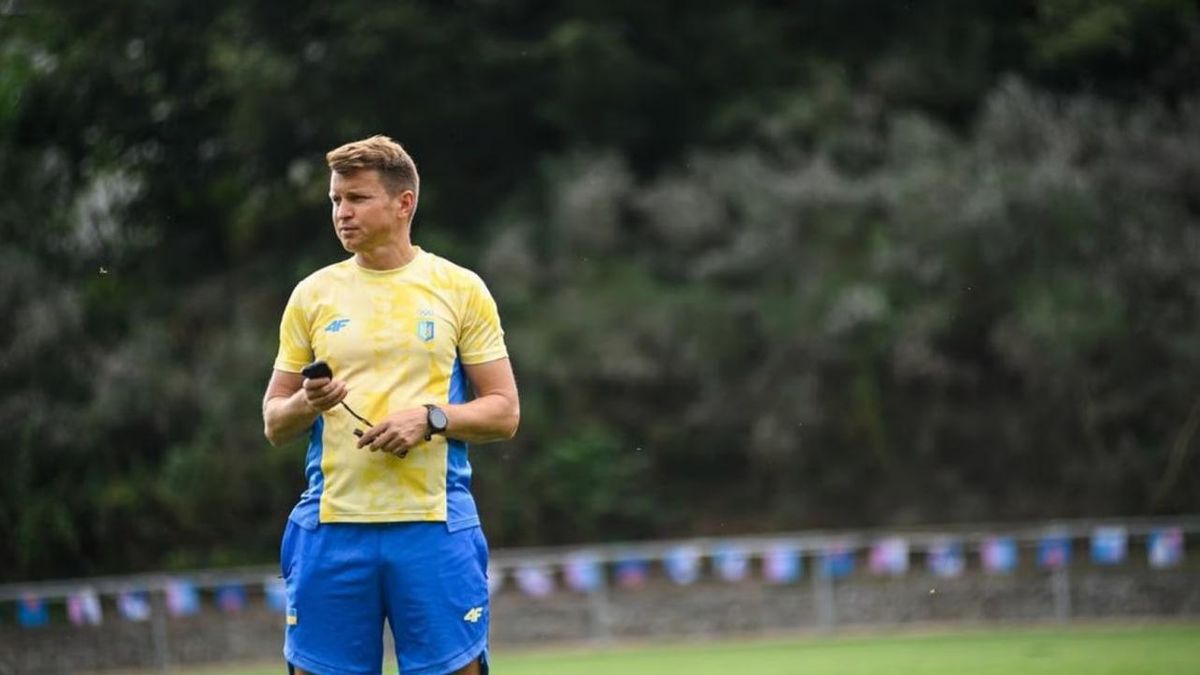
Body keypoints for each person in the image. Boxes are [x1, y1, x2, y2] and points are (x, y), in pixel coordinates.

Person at [262, 135, 519, 675]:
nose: (342, 212)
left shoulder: (460, 288)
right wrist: (309, 402)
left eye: (357, 198)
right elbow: (274, 421)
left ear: (404, 204)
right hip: (332, 526)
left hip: (433, 525)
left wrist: (431, 419)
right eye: (336, 199)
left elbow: (504, 411)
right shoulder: (312, 294)